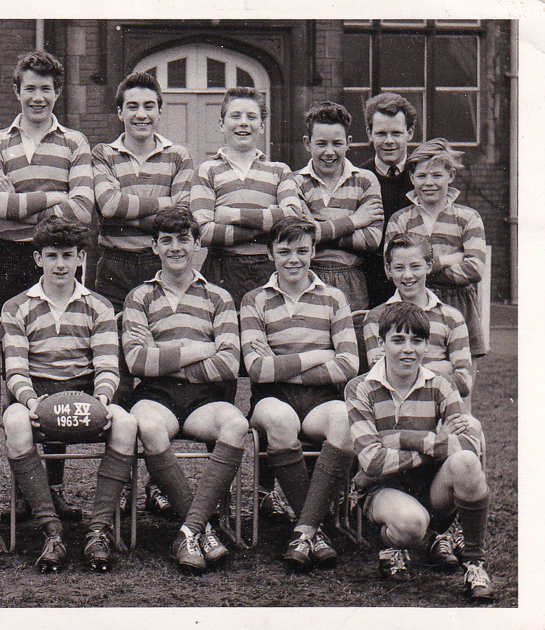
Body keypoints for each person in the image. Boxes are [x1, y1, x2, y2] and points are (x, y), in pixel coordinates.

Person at [0, 50, 95, 518]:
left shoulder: (75, 142)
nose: (37, 97)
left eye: (46, 89)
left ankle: (53, 490)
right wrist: (54, 196)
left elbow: (85, 207)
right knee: (16, 371)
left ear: (57, 92)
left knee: (58, 367)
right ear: (17, 90)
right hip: (11, 259)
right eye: (30, 88)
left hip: (61, 260)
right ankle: (26, 493)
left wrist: (22, 202)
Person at [0, 217, 137, 573]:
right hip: (38, 392)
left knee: (125, 422)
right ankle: (51, 529)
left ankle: (98, 529)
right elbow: (15, 368)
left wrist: (103, 400)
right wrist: (31, 403)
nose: (60, 264)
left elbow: (108, 366)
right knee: (13, 420)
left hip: (84, 392)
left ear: (80, 259)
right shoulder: (16, 307)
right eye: (51, 255)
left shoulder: (99, 305)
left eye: (67, 255)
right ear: (37, 259)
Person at [92, 70, 197, 517]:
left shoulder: (179, 155)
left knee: (157, 371)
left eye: (148, 105)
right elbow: (107, 206)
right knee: (118, 373)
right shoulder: (102, 153)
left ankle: (157, 479)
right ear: (120, 112)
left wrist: (139, 209)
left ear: (159, 110)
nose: (140, 113)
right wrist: (161, 208)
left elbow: (183, 213)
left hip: (157, 265)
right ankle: (117, 486)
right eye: (131, 106)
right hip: (113, 267)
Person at [123, 208, 248, 574]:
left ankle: (189, 530)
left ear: (197, 244)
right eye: (166, 241)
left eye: (183, 240)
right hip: (156, 395)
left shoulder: (218, 297)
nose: (175, 248)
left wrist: (167, 359)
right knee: (147, 425)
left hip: (204, 399)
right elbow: (137, 362)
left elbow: (228, 365)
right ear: (154, 246)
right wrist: (198, 350)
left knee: (236, 424)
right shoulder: (140, 296)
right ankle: (203, 529)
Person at [346, 301, 493, 600]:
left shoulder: (441, 385)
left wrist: (397, 437)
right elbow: (372, 462)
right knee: (412, 525)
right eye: (398, 340)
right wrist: (434, 441)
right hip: (382, 490)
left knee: (465, 462)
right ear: (382, 342)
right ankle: (388, 545)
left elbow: (467, 445)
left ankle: (475, 565)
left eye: (416, 341)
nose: (407, 349)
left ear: (427, 345)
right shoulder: (360, 388)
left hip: (431, 488)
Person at [240, 217, 359, 571]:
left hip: (321, 398)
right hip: (271, 397)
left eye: (302, 251)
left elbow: (349, 363)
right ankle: (315, 530)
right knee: (279, 420)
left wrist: (285, 363)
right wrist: (316, 356)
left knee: (344, 420)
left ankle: (305, 529)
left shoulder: (334, 298)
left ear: (313, 252)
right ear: (270, 253)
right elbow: (258, 369)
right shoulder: (254, 300)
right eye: (285, 251)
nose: (294, 259)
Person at [190, 86, 305, 308]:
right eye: (235, 116)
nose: (244, 122)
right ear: (221, 124)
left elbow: (292, 216)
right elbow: (203, 232)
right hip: (221, 269)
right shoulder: (207, 170)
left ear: (262, 126)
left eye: (252, 117)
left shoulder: (279, 171)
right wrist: (266, 229)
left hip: (268, 268)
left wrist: (232, 215)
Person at [384, 139, 488, 368]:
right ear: (412, 178)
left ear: (450, 175)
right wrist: (448, 259)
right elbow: (391, 269)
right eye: (421, 176)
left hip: (460, 303)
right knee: (417, 379)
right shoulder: (400, 220)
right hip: (412, 307)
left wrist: (417, 272)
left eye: (436, 175)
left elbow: (475, 268)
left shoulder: (468, 218)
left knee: (461, 385)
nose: (428, 183)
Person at [294, 101, 383, 311]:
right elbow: (301, 236)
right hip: (308, 276)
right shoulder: (294, 182)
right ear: (307, 143)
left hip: (352, 280)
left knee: (351, 339)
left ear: (348, 142)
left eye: (337, 143)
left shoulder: (366, 180)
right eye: (321, 143)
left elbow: (372, 240)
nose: (329, 152)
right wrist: (354, 221)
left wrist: (320, 231)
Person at [363, 233, 473, 398]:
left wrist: (404, 366)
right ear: (388, 269)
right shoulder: (376, 318)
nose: (407, 275)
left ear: (429, 266)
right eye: (399, 268)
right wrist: (442, 368)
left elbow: (464, 384)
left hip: (439, 409)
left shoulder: (451, 318)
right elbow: (380, 376)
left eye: (415, 266)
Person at [360, 92, 417, 306]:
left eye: (396, 133)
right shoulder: (358, 178)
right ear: (369, 133)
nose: (389, 141)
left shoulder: (423, 179)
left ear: (409, 133)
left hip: (414, 286)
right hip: (368, 287)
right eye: (381, 133)